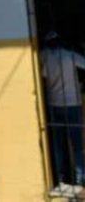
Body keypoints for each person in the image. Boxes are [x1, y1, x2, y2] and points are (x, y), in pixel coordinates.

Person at [41, 31, 85, 186]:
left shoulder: (45, 57)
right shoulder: (69, 55)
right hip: (73, 104)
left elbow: (44, 76)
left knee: (58, 145)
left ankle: (61, 179)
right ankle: (80, 180)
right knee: (77, 145)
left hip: (54, 105)